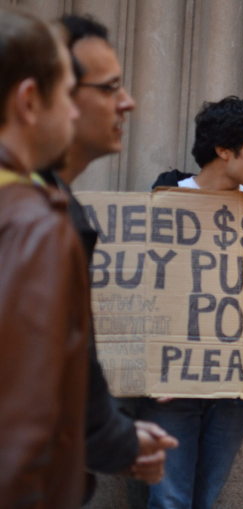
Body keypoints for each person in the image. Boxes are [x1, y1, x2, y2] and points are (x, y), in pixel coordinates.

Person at [38, 14, 178, 491]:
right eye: (110, 87)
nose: (129, 103)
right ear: (43, 98)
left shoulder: (47, 204)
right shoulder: (31, 218)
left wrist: (113, 438)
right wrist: (117, 442)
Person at [136, 95, 243, 509]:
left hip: (234, 384)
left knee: (206, 496)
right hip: (171, 379)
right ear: (223, 149)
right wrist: (147, 364)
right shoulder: (164, 195)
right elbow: (140, 286)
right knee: (169, 499)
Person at [0, 7, 88, 507]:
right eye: (67, 93)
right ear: (30, 101)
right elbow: (21, 435)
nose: (75, 113)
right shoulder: (35, 226)